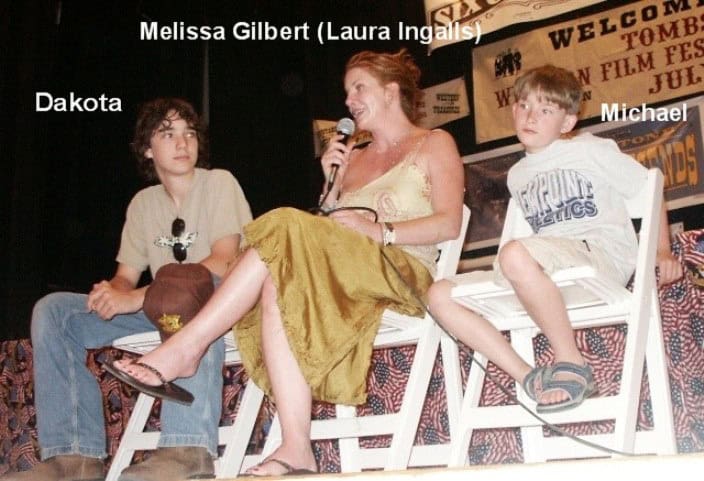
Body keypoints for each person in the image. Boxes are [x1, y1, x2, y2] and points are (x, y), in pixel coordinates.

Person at [102, 49, 465, 476]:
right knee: (277, 278)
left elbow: (449, 222)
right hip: (341, 273)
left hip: (399, 271)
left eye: (359, 88)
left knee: (282, 223)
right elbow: (324, 227)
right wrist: (331, 187)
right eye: (347, 91)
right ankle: (297, 448)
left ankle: (185, 348)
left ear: (391, 91)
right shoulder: (352, 159)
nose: (349, 100)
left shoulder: (433, 142)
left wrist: (381, 231)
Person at [2, 98, 253, 481]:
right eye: (168, 134)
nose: (183, 142)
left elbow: (222, 261)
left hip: (219, 305)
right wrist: (112, 293)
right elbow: (126, 276)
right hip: (159, 307)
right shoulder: (142, 203)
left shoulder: (219, 182)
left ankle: (187, 448)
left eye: (189, 133)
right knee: (54, 311)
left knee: (180, 288)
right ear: (148, 149)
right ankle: (74, 457)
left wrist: (138, 296)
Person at [428, 64, 683, 414]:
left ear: (567, 123)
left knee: (515, 255)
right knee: (439, 295)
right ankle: (530, 377)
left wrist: (663, 250)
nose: (530, 116)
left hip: (600, 259)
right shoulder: (517, 175)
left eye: (545, 110)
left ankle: (571, 361)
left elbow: (649, 190)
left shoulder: (591, 149)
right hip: (551, 270)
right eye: (523, 105)